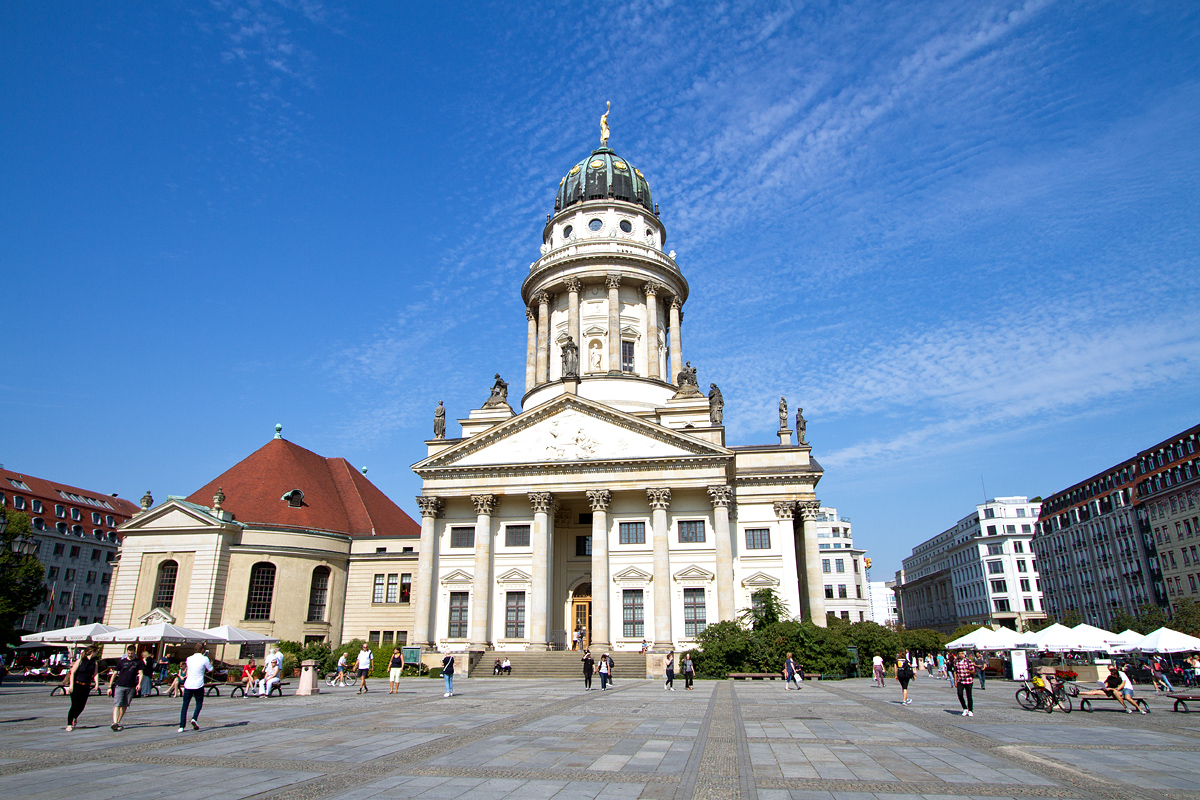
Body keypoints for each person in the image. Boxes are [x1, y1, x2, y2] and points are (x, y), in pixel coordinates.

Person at [108, 645, 144, 731]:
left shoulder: (138, 662)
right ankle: (114, 722)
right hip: (120, 685)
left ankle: (118, 721)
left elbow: (141, 673)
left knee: (124, 705)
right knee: (117, 704)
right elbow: (115, 673)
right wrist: (110, 686)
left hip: (131, 686)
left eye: (131, 653)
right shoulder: (122, 662)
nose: (130, 655)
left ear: (134, 653)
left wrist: (139, 684)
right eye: (128, 653)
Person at [178, 644, 212, 732]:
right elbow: (210, 669)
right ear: (202, 650)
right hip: (198, 684)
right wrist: (210, 664)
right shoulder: (204, 659)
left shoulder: (188, 659)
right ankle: (194, 718)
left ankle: (181, 726)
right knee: (199, 703)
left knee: (185, 705)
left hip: (188, 684)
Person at [64, 646, 99, 732]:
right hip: (77, 685)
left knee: (82, 706)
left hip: (86, 686)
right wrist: (71, 685)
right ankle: (69, 724)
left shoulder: (94, 662)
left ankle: (75, 717)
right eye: (96, 651)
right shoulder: (80, 661)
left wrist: (96, 684)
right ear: (92, 652)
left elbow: (95, 673)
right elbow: (72, 673)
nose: (97, 653)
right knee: (75, 704)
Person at [953, 652, 975, 717]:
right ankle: (965, 708)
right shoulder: (956, 661)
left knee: (969, 696)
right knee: (959, 694)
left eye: (962, 654)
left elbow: (973, 671)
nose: (961, 655)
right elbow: (955, 671)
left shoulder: (968, 661)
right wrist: (955, 681)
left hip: (968, 680)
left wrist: (969, 671)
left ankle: (970, 710)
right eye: (960, 654)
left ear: (964, 654)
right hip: (960, 680)